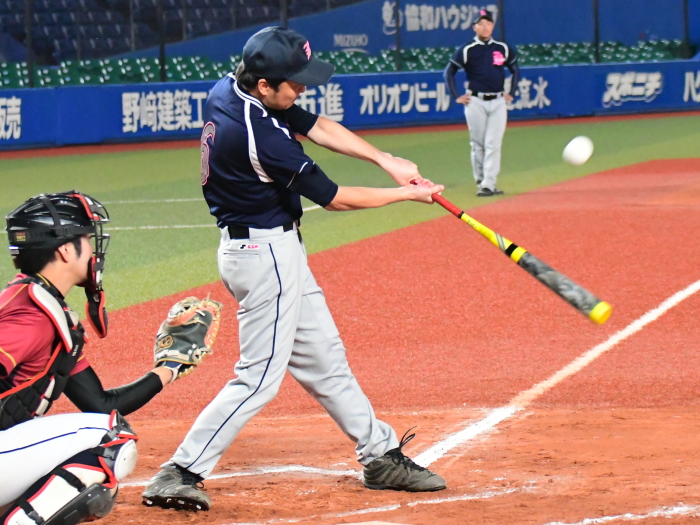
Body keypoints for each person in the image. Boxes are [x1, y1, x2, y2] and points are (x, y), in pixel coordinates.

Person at [142, 26, 447, 511]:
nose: (303, 89)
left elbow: (316, 125)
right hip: (264, 257)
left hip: (271, 251)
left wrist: (384, 159)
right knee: (259, 378)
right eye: (295, 82)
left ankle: (380, 455)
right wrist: (406, 195)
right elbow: (336, 198)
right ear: (265, 84)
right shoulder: (260, 136)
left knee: (326, 360)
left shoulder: (233, 88)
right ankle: (180, 470)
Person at [0, 192, 190, 524]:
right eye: (87, 239)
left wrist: (169, 367)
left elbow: (101, 404)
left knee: (96, 458)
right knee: (110, 439)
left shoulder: (45, 308)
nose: (93, 250)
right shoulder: (29, 316)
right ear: (64, 250)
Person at [443, 9, 520, 197]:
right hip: (476, 100)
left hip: (498, 100)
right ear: (474, 27)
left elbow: (515, 69)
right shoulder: (467, 49)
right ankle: (481, 182)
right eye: (481, 24)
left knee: (493, 143)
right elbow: (449, 72)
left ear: (492, 26)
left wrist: (512, 92)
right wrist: (456, 96)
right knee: (478, 144)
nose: (485, 27)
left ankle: (488, 184)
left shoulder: (502, 47)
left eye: (488, 23)